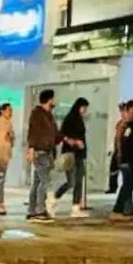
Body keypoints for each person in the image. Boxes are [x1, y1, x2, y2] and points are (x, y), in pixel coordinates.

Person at [26, 89, 60, 222]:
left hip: (47, 151)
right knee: (45, 181)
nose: (55, 101)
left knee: (37, 182)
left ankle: (32, 211)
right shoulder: (37, 113)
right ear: (49, 99)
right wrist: (31, 149)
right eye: (54, 98)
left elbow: (54, 133)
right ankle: (40, 210)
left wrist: (63, 138)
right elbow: (32, 132)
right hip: (40, 152)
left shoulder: (48, 115)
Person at [53, 97, 90, 218]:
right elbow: (62, 134)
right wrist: (74, 141)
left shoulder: (80, 119)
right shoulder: (70, 118)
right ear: (78, 107)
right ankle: (54, 197)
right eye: (84, 107)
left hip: (80, 154)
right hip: (70, 153)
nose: (85, 110)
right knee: (71, 181)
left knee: (79, 181)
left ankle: (75, 207)